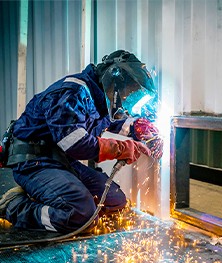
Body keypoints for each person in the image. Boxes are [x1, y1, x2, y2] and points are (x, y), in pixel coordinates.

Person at [0, 50, 163, 233]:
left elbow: (106, 120)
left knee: (116, 200)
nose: (126, 101)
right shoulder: (71, 93)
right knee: (80, 213)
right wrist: (122, 148)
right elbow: (76, 144)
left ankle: (50, 197)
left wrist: (137, 129)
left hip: (62, 162)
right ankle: (15, 207)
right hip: (34, 162)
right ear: (115, 80)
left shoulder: (101, 97)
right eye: (127, 94)